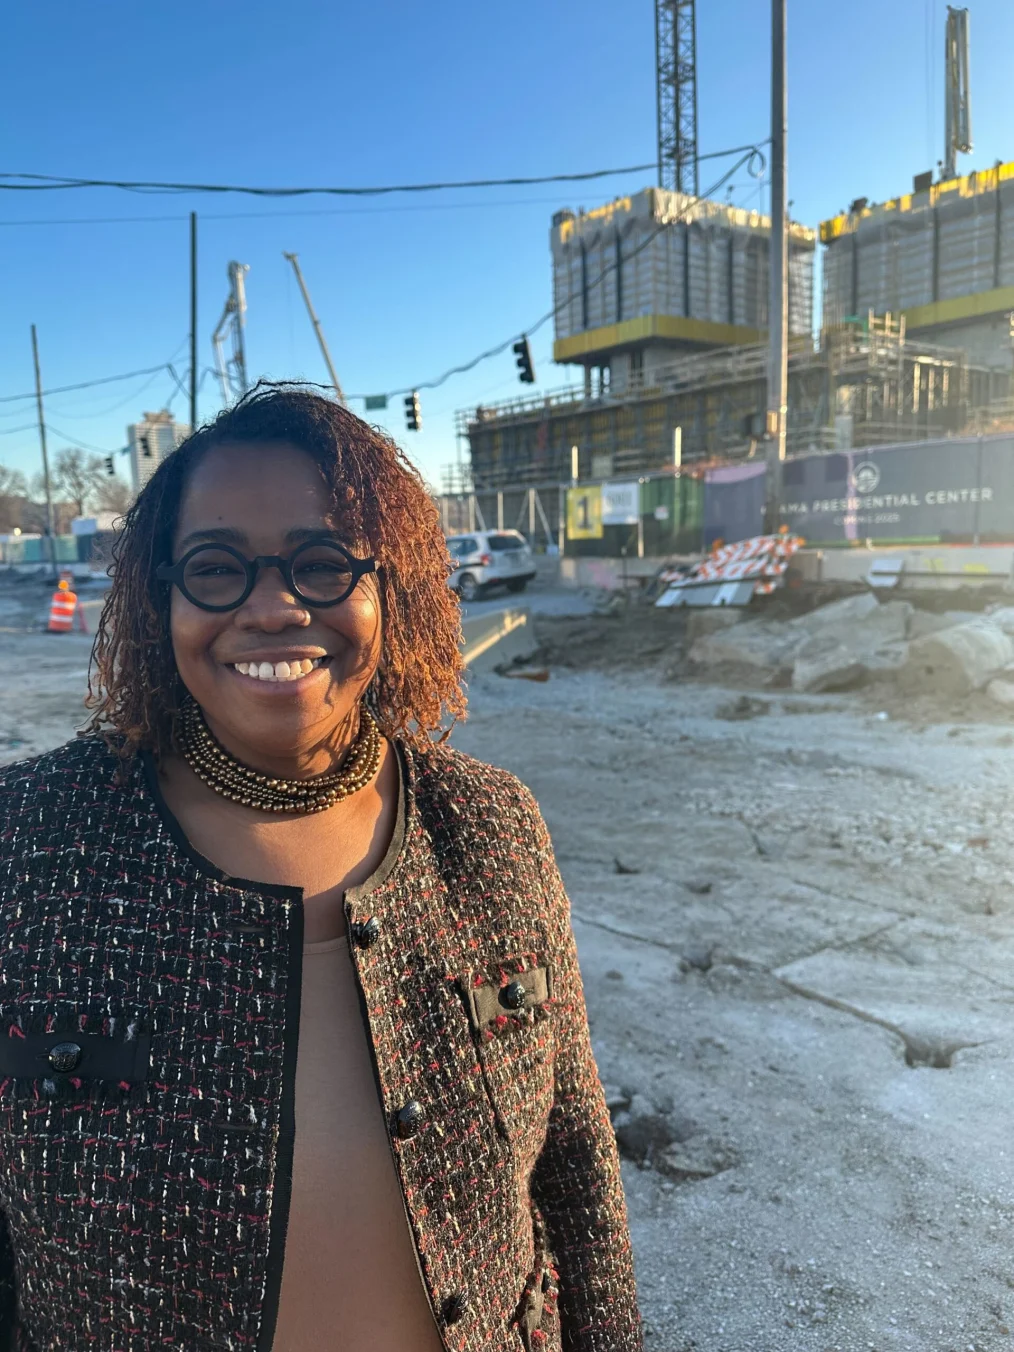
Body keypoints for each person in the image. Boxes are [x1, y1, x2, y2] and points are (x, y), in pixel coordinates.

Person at [0, 385, 642, 1352]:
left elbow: (577, 1171)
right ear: (157, 597)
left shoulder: (495, 825)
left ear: (395, 590)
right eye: (216, 569)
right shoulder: (30, 840)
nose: (272, 608)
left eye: (322, 563)